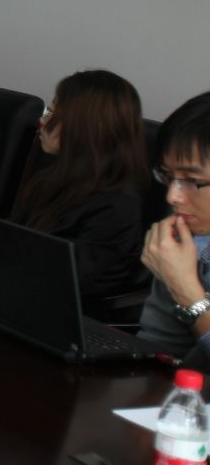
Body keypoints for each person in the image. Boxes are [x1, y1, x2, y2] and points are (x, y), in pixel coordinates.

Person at [10, 70, 146, 306]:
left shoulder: (118, 206)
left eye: (53, 114)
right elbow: (10, 240)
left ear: (84, 127)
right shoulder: (53, 177)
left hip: (67, 310)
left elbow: (68, 277)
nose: (42, 121)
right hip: (20, 293)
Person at [138, 93, 210, 359]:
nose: (172, 197)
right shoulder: (191, 240)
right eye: (168, 176)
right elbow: (158, 345)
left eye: (191, 180)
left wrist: (185, 289)